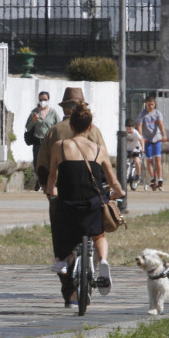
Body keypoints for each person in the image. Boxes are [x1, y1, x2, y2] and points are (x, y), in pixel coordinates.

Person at [36, 88, 110, 305]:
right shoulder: (93, 131)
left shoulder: (54, 132)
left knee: (62, 243)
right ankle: (91, 274)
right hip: (91, 196)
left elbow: (42, 166)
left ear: (65, 108)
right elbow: (104, 165)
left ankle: (69, 291)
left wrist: (48, 190)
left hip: (61, 197)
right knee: (97, 235)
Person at [45, 103, 124, 307]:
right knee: (99, 235)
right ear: (90, 127)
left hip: (68, 204)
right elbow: (112, 180)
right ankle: (103, 261)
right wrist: (120, 192)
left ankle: (63, 263)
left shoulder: (60, 146)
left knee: (63, 235)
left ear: (71, 125)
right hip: (92, 204)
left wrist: (51, 190)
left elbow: (52, 176)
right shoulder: (99, 149)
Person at [25, 91, 60, 190]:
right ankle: (39, 181)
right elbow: (28, 127)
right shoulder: (34, 112)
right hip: (38, 141)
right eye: (41, 100)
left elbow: (58, 125)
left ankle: (49, 182)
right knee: (37, 162)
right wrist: (33, 120)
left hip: (49, 142)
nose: (43, 102)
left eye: (45, 100)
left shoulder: (53, 113)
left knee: (50, 162)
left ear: (48, 100)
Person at [136, 95, 167, 190]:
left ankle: (160, 178)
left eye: (152, 105)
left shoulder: (158, 113)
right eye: (148, 105)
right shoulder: (142, 114)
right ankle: (153, 178)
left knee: (158, 159)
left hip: (156, 138)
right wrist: (140, 136)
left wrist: (164, 135)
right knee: (149, 160)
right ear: (145, 104)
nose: (150, 107)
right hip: (147, 140)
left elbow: (161, 125)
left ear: (155, 104)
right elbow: (140, 125)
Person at [125, 118, 144, 185]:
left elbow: (141, 140)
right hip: (128, 149)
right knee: (126, 162)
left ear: (133, 127)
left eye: (130, 129)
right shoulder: (124, 133)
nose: (129, 131)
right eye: (127, 129)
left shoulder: (136, 133)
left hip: (136, 148)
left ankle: (138, 175)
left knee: (136, 161)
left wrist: (143, 148)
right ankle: (125, 176)